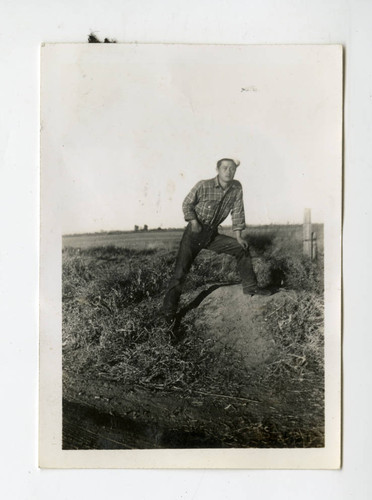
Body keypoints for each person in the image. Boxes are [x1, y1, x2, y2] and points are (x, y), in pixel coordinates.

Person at [162, 158, 272, 325]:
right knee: (180, 273)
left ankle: (251, 287)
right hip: (193, 233)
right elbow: (187, 204)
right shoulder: (203, 185)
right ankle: (168, 314)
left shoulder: (236, 188)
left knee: (240, 248)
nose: (229, 171)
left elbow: (238, 212)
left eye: (232, 169)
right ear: (218, 170)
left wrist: (238, 236)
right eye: (225, 168)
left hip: (211, 234)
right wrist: (194, 222)